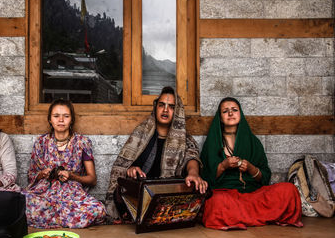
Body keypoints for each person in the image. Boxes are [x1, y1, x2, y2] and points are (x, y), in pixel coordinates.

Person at [200, 97, 302, 230]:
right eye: (225, 111)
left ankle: (237, 218)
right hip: (227, 195)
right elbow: (205, 178)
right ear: (219, 117)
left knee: (288, 190)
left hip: (254, 194)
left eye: (234, 110)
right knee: (216, 202)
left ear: (240, 114)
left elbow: (265, 177)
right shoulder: (212, 143)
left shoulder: (253, 142)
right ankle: (260, 217)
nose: (230, 113)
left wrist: (251, 168)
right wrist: (223, 166)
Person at [105, 87, 208, 219]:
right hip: (141, 194)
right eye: (161, 105)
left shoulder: (184, 139)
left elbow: (191, 157)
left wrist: (193, 173)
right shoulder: (141, 133)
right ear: (155, 108)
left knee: (198, 190)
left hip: (169, 194)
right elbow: (122, 166)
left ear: (177, 112)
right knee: (121, 192)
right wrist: (131, 169)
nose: (165, 110)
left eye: (171, 107)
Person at [22, 99, 106, 228]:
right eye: (56, 116)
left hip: (72, 195)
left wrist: (72, 176)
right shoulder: (41, 142)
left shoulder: (82, 142)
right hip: (45, 193)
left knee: (97, 209)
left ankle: (51, 218)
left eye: (66, 116)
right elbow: (32, 175)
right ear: (50, 119)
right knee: (22, 202)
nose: (61, 120)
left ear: (71, 119)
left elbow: (92, 179)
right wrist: (42, 174)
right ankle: (66, 218)